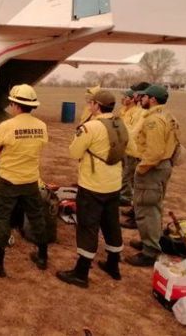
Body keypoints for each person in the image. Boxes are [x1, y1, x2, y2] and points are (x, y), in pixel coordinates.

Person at [56, 90, 126, 288]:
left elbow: (74, 152)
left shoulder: (90, 127)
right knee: (111, 223)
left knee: (88, 225)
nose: (89, 105)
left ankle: (81, 272)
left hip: (93, 184)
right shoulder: (121, 123)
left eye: (91, 103)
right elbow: (132, 149)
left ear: (96, 105)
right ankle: (113, 264)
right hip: (114, 183)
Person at [0, 84, 49, 277]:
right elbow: (39, 147)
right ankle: (43, 256)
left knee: (1, 216)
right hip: (30, 180)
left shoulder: (7, 126)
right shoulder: (41, 126)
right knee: (36, 216)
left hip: (9, 180)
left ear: (15, 105)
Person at [125, 84, 180, 267]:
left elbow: (154, 152)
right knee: (154, 208)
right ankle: (149, 241)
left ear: (153, 99)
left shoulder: (153, 120)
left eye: (144, 97)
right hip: (163, 166)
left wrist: (141, 169)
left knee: (147, 208)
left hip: (152, 168)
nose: (140, 99)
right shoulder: (168, 116)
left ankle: (149, 251)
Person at [117, 89, 141, 206]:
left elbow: (132, 132)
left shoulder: (137, 113)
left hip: (132, 149)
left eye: (126, 97)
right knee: (122, 171)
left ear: (132, 99)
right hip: (122, 146)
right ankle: (123, 193)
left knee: (127, 173)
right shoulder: (123, 111)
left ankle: (126, 196)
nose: (123, 99)